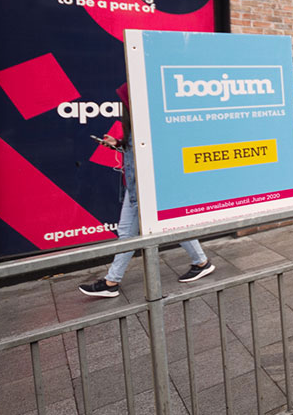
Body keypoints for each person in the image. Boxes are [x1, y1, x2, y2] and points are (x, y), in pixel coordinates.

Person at [79, 84, 215, 298]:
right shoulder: (142, 124)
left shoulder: (144, 124)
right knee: (156, 227)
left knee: (133, 231)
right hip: (142, 186)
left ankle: (112, 282)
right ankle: (201, 262)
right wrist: (119, 144)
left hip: (143, 187)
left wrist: (138, 193)